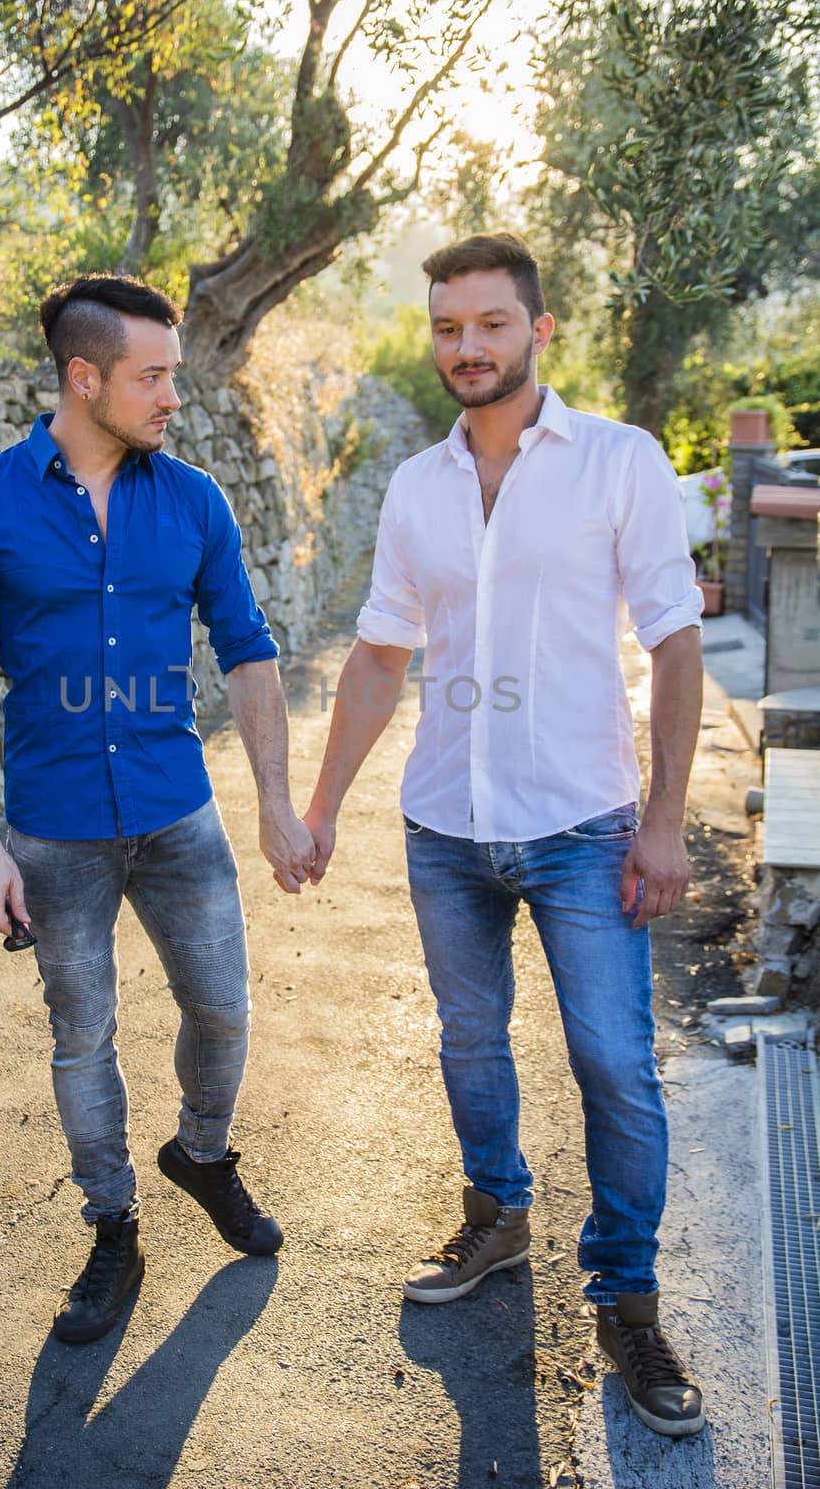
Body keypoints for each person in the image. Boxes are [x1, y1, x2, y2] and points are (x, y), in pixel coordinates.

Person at [302, 233, 707, 1437]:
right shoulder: (417, 485)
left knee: (614, 1070)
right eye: (445, 326)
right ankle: (497, 1214)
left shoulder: (617, 462)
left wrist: (667, 821)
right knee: (469, 1042)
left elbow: (675, 639)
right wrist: (321, 805)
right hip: (444, 827)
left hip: (585, 827)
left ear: (537, 331)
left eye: (487, 323)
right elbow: (379, 658)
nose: (464, 346)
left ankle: (626, 1296)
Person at [0, 273, 314, 1346]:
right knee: (80, 1038)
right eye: (152, 378)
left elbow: (246, 649)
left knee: (223, 1010)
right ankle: (111, 1228)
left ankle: (200, 1152)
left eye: (173, 376)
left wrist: (275, 805)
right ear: (82, 376)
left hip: (176, 813)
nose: (170, 398)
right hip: (53, 831)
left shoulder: (193, 499)